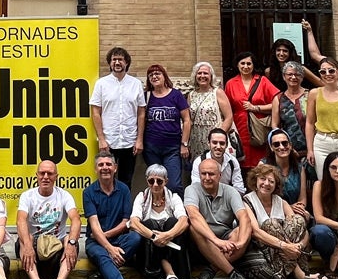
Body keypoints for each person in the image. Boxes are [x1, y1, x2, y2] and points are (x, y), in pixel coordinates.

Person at [241, 163, 324, 279]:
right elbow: (255, 232)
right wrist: (284, 246)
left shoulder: (281, 202)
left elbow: (303, 231)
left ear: (276, 185)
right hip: (261, 252)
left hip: (284, 255)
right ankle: (300, 275)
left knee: (298, 220)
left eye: (271, 181)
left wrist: (298, 246)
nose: (266, 183)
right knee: (270, 224)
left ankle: (285, 272)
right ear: (255, 180)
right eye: (263, 179)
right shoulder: (247, 201)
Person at [16, 160, 81, 279]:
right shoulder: (28, 196)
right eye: (42, 173)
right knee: (25, 238)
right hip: (34, 248)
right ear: (37, 175)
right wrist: (27, 245)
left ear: (56, 176)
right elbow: (20, 220)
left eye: (50, 173)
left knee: (71, 240)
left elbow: (76, 220)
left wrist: (71, 244)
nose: (46, 177)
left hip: (57, 247)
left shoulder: (64, 196)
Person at [82, 151, 144, 279]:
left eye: (108, 164)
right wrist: (109, 247)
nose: (105, 168)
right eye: (101, 165)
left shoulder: (124, 189)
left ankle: (100, 276)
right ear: (96, 169)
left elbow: (126, 222)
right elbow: (94, 226)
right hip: (95, 243)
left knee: (136, 238)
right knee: (103, 255)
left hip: (119, 240)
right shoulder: (88, 193)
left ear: (115, 168)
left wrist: (109, 240)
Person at [185, 157, 251, 279]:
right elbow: (194, 216)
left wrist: (242, 242)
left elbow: (243, 217)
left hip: (226, 239)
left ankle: (209, 273)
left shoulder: (230, 191)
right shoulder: (192, 189)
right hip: (202, 243)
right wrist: (216, 241)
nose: (207, 178)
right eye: (203, 174)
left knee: (243, 230)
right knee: (193, 227)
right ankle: (233, 275)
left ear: (220, 175)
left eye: (211, 174)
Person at [128, 164, 189, 279]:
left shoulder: (173, 197)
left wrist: (167, 235)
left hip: (170, 246)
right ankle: (169, 274)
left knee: (173, 222)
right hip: (149, 248)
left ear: (166, 181)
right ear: (147, 181)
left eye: (159, 181)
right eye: (151, 181)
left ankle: (167, 275)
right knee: (148, 224)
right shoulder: (142, 197)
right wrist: (154, 236)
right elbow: (133, 222)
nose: (155, 184)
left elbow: (184, 221)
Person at [89, 46, 145, 189]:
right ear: (110, 63)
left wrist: (139, 140)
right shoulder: (101, 84)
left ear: (126, 63)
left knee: (127, 180)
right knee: (106, 178)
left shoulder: (136, 84)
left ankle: (124, 211)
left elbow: (141, 113)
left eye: (120, 59)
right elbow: (95, 112)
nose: (117, 62)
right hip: (108, 141)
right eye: (114, 59)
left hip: (129, 141)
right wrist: (101, 139)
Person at [139, 64, 191, 194]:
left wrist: (184, 144)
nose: (154, 77)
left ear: (164, 76)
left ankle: (177, 212)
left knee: (174, 184)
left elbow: (186, 120)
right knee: (155, 182)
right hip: (151, 148)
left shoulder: (176, 95)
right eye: (151, 75)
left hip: (172, 148)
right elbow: (141, 119)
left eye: (157, 74)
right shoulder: (147, 96)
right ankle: (158, 211)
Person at [224, 51, 278, 169]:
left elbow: (277, 103)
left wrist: (256, 108)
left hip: (259, 129)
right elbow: (227, 110)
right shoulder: (230, 83)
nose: (245, 66)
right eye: (242, 63)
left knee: (260, 165)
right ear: (237, 65)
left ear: (253, 65)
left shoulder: (262, 81)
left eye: (249, 63)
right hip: (239, 128)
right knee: (240, 164)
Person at [185, 62, 234, 160]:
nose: (202, 76)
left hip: (215, 140)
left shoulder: (218, 92)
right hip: (196, 139)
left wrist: (218, 136)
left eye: (205, 73)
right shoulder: (191, 95)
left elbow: (229, 117)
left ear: (211, 76)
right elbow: (189, 119)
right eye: (199, 73)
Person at [263, 128, 309, 216]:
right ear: (271, 148)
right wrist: (288, 207)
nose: (282, 147)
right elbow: (262, 197)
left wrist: (300, 208)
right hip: (271, 212)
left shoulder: (299, 167)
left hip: (296, 211)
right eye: (276, 144)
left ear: (290, 145)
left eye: (285, 143)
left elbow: (302, 198)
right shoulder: (264, 165)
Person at [189, 127, 245, 194]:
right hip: (205, 198)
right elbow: (196, 189)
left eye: (222, 143)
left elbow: (239, 189)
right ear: (209, 143)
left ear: (226, 145)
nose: (218, 147)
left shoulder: (232, 162)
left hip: (227, 198)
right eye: (214, 143)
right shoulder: (199, 162)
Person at [270, 61, 309, 157]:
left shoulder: (310, 95)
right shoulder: (278, 98)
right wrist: (285, 145)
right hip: (288, 150)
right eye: (290, 74)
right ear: (284, 76)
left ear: (302, 77)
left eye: (297, 74)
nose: (293, 77)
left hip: (311, 149)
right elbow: (275, 125)